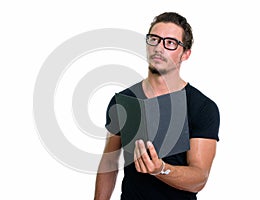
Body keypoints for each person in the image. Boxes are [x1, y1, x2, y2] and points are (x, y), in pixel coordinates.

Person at [94, 12, 220, 200]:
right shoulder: (123, 100)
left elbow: (199, 178)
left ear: (185, 54)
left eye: (170, 43)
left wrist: (161, 169)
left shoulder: (201, 107)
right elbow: (109, 162)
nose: (159, 48)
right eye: (154, 39)